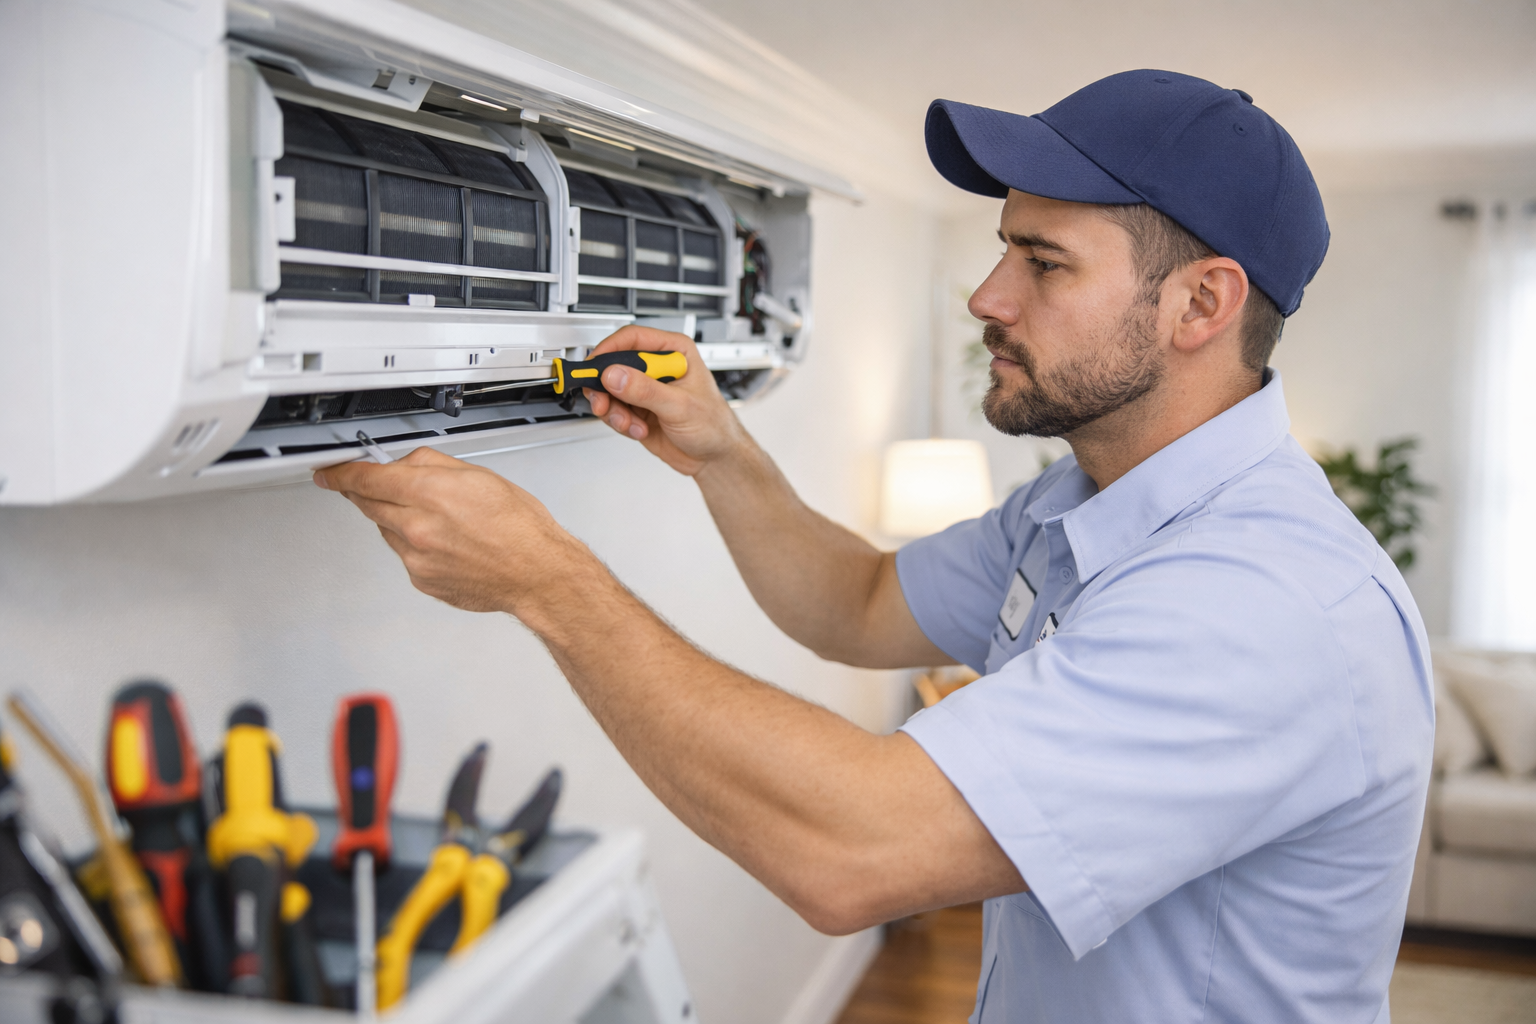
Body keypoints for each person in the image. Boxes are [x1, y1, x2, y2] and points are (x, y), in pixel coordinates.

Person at [315, 70, 1433, 1023]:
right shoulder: (1077, 501)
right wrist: (722, 451)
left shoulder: (1266, 604)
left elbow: (852, 852)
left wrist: (547, 581)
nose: (986, 296)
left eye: (1043, 264)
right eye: (1005, 251)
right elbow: (852, 601)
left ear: (1202, 303)